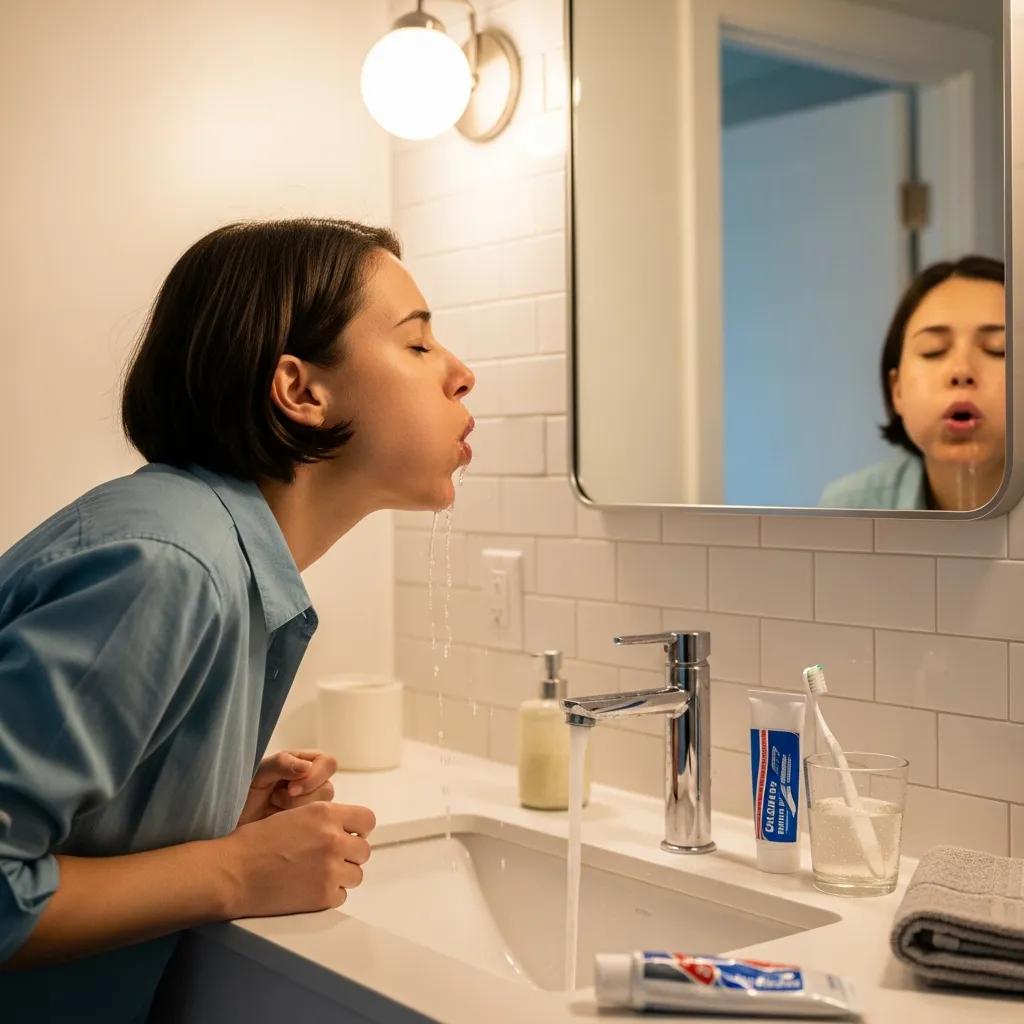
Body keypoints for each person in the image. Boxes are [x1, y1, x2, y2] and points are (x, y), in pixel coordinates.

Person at [0, 218, 475, 1020]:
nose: (461, 374)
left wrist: (189, 813)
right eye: (419, 344)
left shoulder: (206, 552)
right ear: (301, 391)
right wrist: (234, 871)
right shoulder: (168, 566)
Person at [820, 255, 1005, 510]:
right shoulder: (850, 507)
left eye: (998, 349)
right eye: (933, 351)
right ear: (897, 391)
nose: (961, 371)